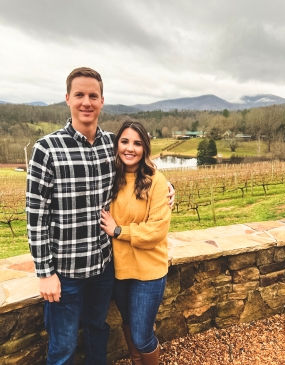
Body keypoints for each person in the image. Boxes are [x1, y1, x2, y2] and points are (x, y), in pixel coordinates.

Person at [26, 67, 174, 365]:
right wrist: (44, 272)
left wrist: (169, 186)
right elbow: (36, 215)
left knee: (98, 333)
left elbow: (142, 167)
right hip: (65, 272)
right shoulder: (47, 149)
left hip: (103, 269)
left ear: (102, 101)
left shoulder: (112, 145)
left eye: (93, 96)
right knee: (63, 346)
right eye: (79, 95)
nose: (86, 102)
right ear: (67, 98)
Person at [101, 120, 171, 365]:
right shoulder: (110, 178)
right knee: (129, 326)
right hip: (119, 271)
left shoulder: (156, 181)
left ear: (145, 148)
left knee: (142, 336)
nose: (130, 148)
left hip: (148, 273)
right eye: (125, 141)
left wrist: (119, 231)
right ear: (116, 144)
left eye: (137, 143)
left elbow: (156, 231)